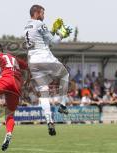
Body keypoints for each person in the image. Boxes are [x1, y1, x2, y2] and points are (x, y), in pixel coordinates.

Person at [24, 4, 71, 136]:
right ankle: (62, 105)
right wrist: (62, 33)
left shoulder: (26, 26)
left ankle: (49, 120)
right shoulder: (39, 24)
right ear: (37, 13)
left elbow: (44, 40)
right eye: (43, 13)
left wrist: (53, 31)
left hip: (33, 61)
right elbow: (54, 41)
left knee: (44, 92)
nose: (44, 16)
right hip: (44, 57)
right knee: (65, 74)